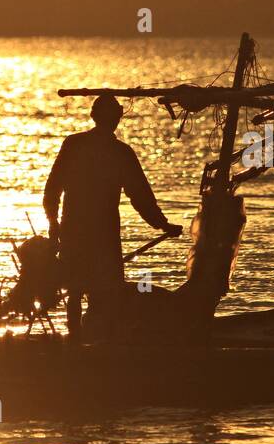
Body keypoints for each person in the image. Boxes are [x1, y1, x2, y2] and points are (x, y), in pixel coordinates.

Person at [43, 94, 182, 342]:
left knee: (79, 291)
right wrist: (162, 224)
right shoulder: (114, 152)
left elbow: (52, 191)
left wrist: (162, 224)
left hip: (82, 232)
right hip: (94, 236)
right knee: (96, 292)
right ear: (115, 118)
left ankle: (80, 340)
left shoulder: (81, 146)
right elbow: (141, 198)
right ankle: (88, 342)